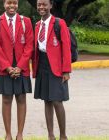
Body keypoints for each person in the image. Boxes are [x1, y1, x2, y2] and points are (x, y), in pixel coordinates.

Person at [0, 0, 34, 140]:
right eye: (9, 3)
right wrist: (8, 67)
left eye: (14, 3)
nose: (12, 6)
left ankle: (20, 134)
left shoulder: (25, 21)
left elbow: (29, 46)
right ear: (4, 4)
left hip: (22, 66)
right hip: (5, 67)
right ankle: (8, 134)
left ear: (18, 4)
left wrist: (20, 66)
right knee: (6, 99)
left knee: (21, 98)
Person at [33, 0, 71, 140]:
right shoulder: (37, 25)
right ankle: (50, 135)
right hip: (42, 65)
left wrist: (66, 70)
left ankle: (63, 136)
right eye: (39, 5)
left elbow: (66, 47)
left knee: (57, 101)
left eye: (44, 4)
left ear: (50, 5)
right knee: (46, 100)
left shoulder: (59, 23)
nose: (41, 7)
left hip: (56, 67)